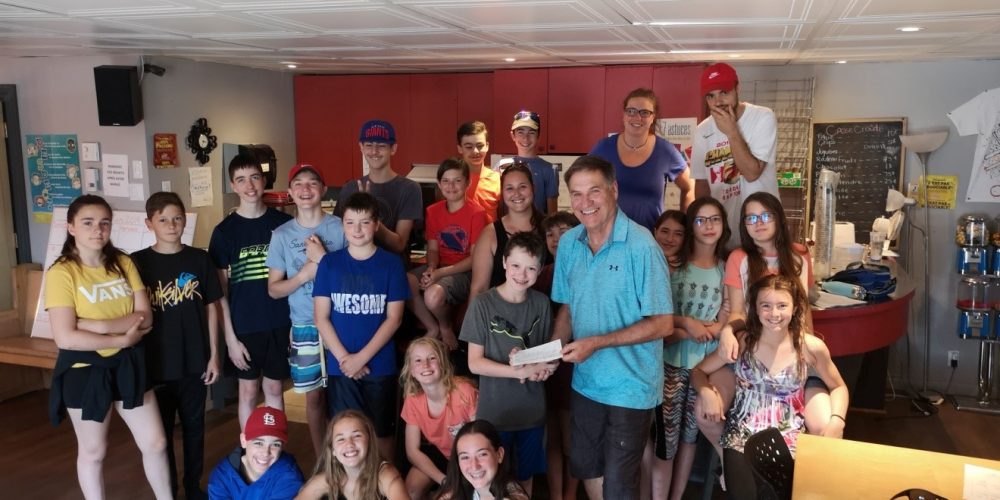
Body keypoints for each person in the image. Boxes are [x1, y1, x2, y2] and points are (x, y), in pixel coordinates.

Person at [551, 155, 674, 499]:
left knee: (619, 485)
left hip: (630, 387)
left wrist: (596, 343)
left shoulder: (642, 246)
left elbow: (663, 323)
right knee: (587, 467)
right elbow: (568, 307)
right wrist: (551, 352)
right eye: (577, 194)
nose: (585, 202)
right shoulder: (569, 244)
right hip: (586, 383)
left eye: (594, 191)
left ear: (614, 190)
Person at [45, 194, 171, 499]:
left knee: (156, 443)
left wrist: (98, 325)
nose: (97, 230)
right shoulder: (62, 272)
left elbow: (145, 316)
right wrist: (120, 337)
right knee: (94, 451)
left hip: (129, 364)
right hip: (85, 369)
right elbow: (66, 337)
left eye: (104, 223)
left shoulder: (123, 262)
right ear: (71, 227)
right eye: (88, 223)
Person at [698, 191, 829, 464]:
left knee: (823, 426)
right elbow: (737, 311)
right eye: (751, 218)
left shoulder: (799, 256)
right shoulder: (740, 258)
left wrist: (807, 347)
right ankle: (732, 465)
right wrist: (727, 331)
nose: (758, 223)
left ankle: (795, 475)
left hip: (793, 353)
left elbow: (804, 308)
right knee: (704, 413)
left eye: (765, 216)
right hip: (749, 350)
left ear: (778, 218)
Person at [691, 274, 848, 498]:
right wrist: (706, 391)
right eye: (766, 306)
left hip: (788, 439)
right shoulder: (743, 342)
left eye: (782, 305)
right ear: (755, 309)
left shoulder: (810, 347)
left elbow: (839, 387)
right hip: (741, 437)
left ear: (795, 308)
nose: (774, 314)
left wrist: (837, 421)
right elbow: (698, 371)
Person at [132, 191, 224, 500]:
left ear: (185, 220)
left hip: (194, 361)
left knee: (195, 428)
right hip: (156, 364)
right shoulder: (137, 263)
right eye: (163, 220)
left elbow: (212, 308)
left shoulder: (199, 259)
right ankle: (167, 489)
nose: (171, 225)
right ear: (149, 224)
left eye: (177, 219)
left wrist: (214, 355)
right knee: (161, 434)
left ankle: (192, 486)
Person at [313, 191, 410, 463]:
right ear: (342, 225)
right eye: (350, 222)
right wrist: (346, 359)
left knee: (382, 434)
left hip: (380, 365)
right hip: (341, 366)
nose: (357, 229)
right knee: (344, 434)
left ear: (376, 224)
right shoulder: (330, 264)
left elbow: (394, 318)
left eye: (365, 222)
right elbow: (321, 317)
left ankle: (384, 483)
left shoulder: (391, 264)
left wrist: (360, 359)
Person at [646, 198, 731, 500]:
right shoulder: (672, 267)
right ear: (691, 226)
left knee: (689, 438)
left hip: (704, 368)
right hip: (668, 364)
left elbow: (728, 316)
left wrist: (712, 329)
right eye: (700, 220)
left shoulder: (726, 269)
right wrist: (688, 327)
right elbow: (658, 320)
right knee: (666, 442)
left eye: (714, 219)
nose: (708, 226)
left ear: (724, 225)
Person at [460, 232, 557, 495]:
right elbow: (474, 363)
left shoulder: (542, 303)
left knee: (525, 479)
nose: (522, 274)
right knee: (490, 480)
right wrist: (518, 370)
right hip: (494, 413)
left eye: (531, 268)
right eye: (515, 265)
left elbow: (546, 356)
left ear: (540, 270)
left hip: (532, 412)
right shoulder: (482, 304)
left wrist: (544, 368)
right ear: (503, 262)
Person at [266, 163, 347, 458]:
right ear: (290, 192)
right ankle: (322, 460)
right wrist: (303, 276)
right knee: (314, 398)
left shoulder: (341, 227)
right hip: (304, 326)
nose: (305, 189)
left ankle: (347, 457)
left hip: (341, 323)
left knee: (344, 395)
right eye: (298, 184)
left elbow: (355, 276)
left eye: (312, 183)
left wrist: (323, 262)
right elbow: (274, 289)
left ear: (323, 189)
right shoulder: (281, 235)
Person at [209, 153, 293, 428]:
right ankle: (248, 446)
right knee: (247, 391)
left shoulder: (282, 225)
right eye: (242, 179)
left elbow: (294, 278)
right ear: (233, 185)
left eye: (255, 177)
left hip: (280, 321)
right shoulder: (224, 232)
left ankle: (276, 444)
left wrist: (295, 324)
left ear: (264, 180)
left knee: (274, 389)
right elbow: (220, 293)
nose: (250, 185)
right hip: (245, 325)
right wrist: (230, 339)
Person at [690, 63, 779, 246]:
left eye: (724, 92)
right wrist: (703, 232)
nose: (718, 102)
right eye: (710, 96)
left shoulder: (763, 117)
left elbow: (752, 173)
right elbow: (702, 185)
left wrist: (731, 131)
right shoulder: (702, 131)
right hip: (724, 235)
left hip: (763, 233)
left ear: (737, 89)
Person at [407, 158, 489, 350]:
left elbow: (475, 259)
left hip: (465, 272)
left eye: (457, 180)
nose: (451, 186)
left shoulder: (477, 213)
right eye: (446, 181)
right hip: (440, 267)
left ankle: (445, 327)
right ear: (439, 183)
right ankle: (432, 327)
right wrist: (431, 268)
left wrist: (440, 274)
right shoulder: (433, 211)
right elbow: (433, 249)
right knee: (404, 282)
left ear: (468, 183)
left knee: (432, 296)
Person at [589, 88, 693, 229]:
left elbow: (689, 187)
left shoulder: (665, 151)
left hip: (649, 238)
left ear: (653, 117)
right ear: (624, 115)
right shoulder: (604, 148)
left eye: (644, 112)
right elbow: (580, 182)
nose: (637, 118)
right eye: (631, 111)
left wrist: (685, 226)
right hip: (608, 237)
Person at [399, 337, 479, 499]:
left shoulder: (465, 392)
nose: (425, 365)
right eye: (418, 360)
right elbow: (412, 452)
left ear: (443, 363)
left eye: (432, 358)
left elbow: (481, 440)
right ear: (411, 371)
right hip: (441, 454)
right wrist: (444, 481)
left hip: (469, 456)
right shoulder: (413, 400)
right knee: (411, 491)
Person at [535, 211, 580, 500]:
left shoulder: (584, 270)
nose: (555, 239)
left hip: (574, 363)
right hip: (545, 362)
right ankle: (556, 495)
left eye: (563, 232)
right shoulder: (541, 273)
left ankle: (571, 494)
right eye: (550, 234)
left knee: (570, 437)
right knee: (551, 435)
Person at [335, 120, 423, 255]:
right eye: (369, 145)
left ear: (393, 149)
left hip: (393, 266)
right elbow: (338, 236)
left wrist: (369, 212)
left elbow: (399, 245)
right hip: (355, 265)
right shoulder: (349, 188)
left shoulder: (410, 189)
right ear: (361, 147)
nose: (374, 151)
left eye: (381, 146)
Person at [469, 162, 544, 298]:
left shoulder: (550, 228)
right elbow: (479, 289)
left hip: (545, 309)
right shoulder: (490, 234)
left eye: (522, 187)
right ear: (502, 192)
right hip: (499, 309)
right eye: (509, 188)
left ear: (533, 188)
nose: (516, 193)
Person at [295, 410, 408, 500]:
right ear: (333, 450)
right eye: (341, 439)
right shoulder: (330, 479)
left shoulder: (385, 475)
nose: (349, 443)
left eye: (357, 436)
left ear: (369, 442)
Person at [208, 406, 304, 500]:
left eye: (275, 444)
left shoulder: (289, 477)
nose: (266, 452)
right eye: (258, 443)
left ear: (282, 447)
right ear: (244, 441)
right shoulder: (222, 477)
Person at [435, 420, 529, 500]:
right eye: (465, 457)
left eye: (482, 454)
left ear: (499, 455)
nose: (474, 466)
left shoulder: (512, 496)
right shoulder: (461, 486)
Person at [502, 110, 559, 213]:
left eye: (531, 133)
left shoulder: (549, 169)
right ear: (513, 136)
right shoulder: (502, 166)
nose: (525, 138)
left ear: (538, 136)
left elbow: (552, 213)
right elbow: (499, 205)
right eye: (520, 132)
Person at [457, 121, 501, 221]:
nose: (475, 151)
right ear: (460, 148)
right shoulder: (451, 180)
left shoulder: (498, 179)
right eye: (469, 147)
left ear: (487, 146)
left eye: (480, 146)